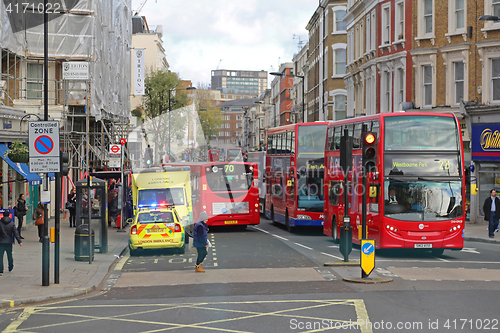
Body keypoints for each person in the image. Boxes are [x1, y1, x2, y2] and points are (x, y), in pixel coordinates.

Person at [0, 210, 22, 276]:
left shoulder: (0, 223)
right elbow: (16, 233)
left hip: (1, 242)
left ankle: (1, 269)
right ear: (9, 215)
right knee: (9, 255)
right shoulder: (11, 223)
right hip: (9, 242)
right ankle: (10, 266)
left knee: (0, 256)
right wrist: (19, 241)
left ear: (3, 215)